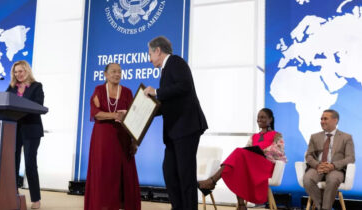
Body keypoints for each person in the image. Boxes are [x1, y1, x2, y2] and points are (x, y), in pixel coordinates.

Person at [144, 36, 208, 210]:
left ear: (158, 51)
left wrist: (156, 92)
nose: (149, 59)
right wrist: (139, 114)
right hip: (175, 131)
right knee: (170, 172)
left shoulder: (175, 62)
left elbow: (184, 86)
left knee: (185, 176)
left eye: (150, 54)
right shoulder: (165, 70)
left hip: (186, 128)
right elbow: (168, 105)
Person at [198, 108, 287, 210]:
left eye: (263, 117)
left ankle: (212, 181)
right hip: (254, 165)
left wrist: (263, 151)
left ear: (270, 119)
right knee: (239, 162)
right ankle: (241, 205)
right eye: (258, 117)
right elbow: (247, 151)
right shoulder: (253, 137)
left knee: (238, 152)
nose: (259, 119)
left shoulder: (277, 135)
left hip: (267, 167)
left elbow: (280, 152)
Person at [84, 63, 140, 210]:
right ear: (106, 75)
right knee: (104, 173)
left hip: (123, 138)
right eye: (113, 71)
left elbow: (134, 118)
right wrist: (115, 115)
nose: (117, 74)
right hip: (102, 139)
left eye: (119, 72)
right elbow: (96, 113)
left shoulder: (127, 92)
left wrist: (134, 141)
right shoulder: (99, 90)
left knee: (124, 175)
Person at [6, 60, 44, 209]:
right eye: (15, 72)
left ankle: (36, 199)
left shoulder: (36, 86)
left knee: (30, 164)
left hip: (31, 128)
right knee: (12, 164)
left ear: (27, 71)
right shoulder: (11, 88)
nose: (18, 74)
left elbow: (38, 104)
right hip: (14, 129)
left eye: (21, 71)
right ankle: (13, 195)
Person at [303, 109, 355, 210]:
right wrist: (317, 165)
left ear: (335, 120)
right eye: (321, 119)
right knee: (307, 179)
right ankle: (321, 206)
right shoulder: (315, 137)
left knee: (333, 180)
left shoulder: (346, 137)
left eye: (325, 119)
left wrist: (333, 165)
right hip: (317, 167)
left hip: (336, 169)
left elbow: (350, 158)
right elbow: (308, 155)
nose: (322, 121)